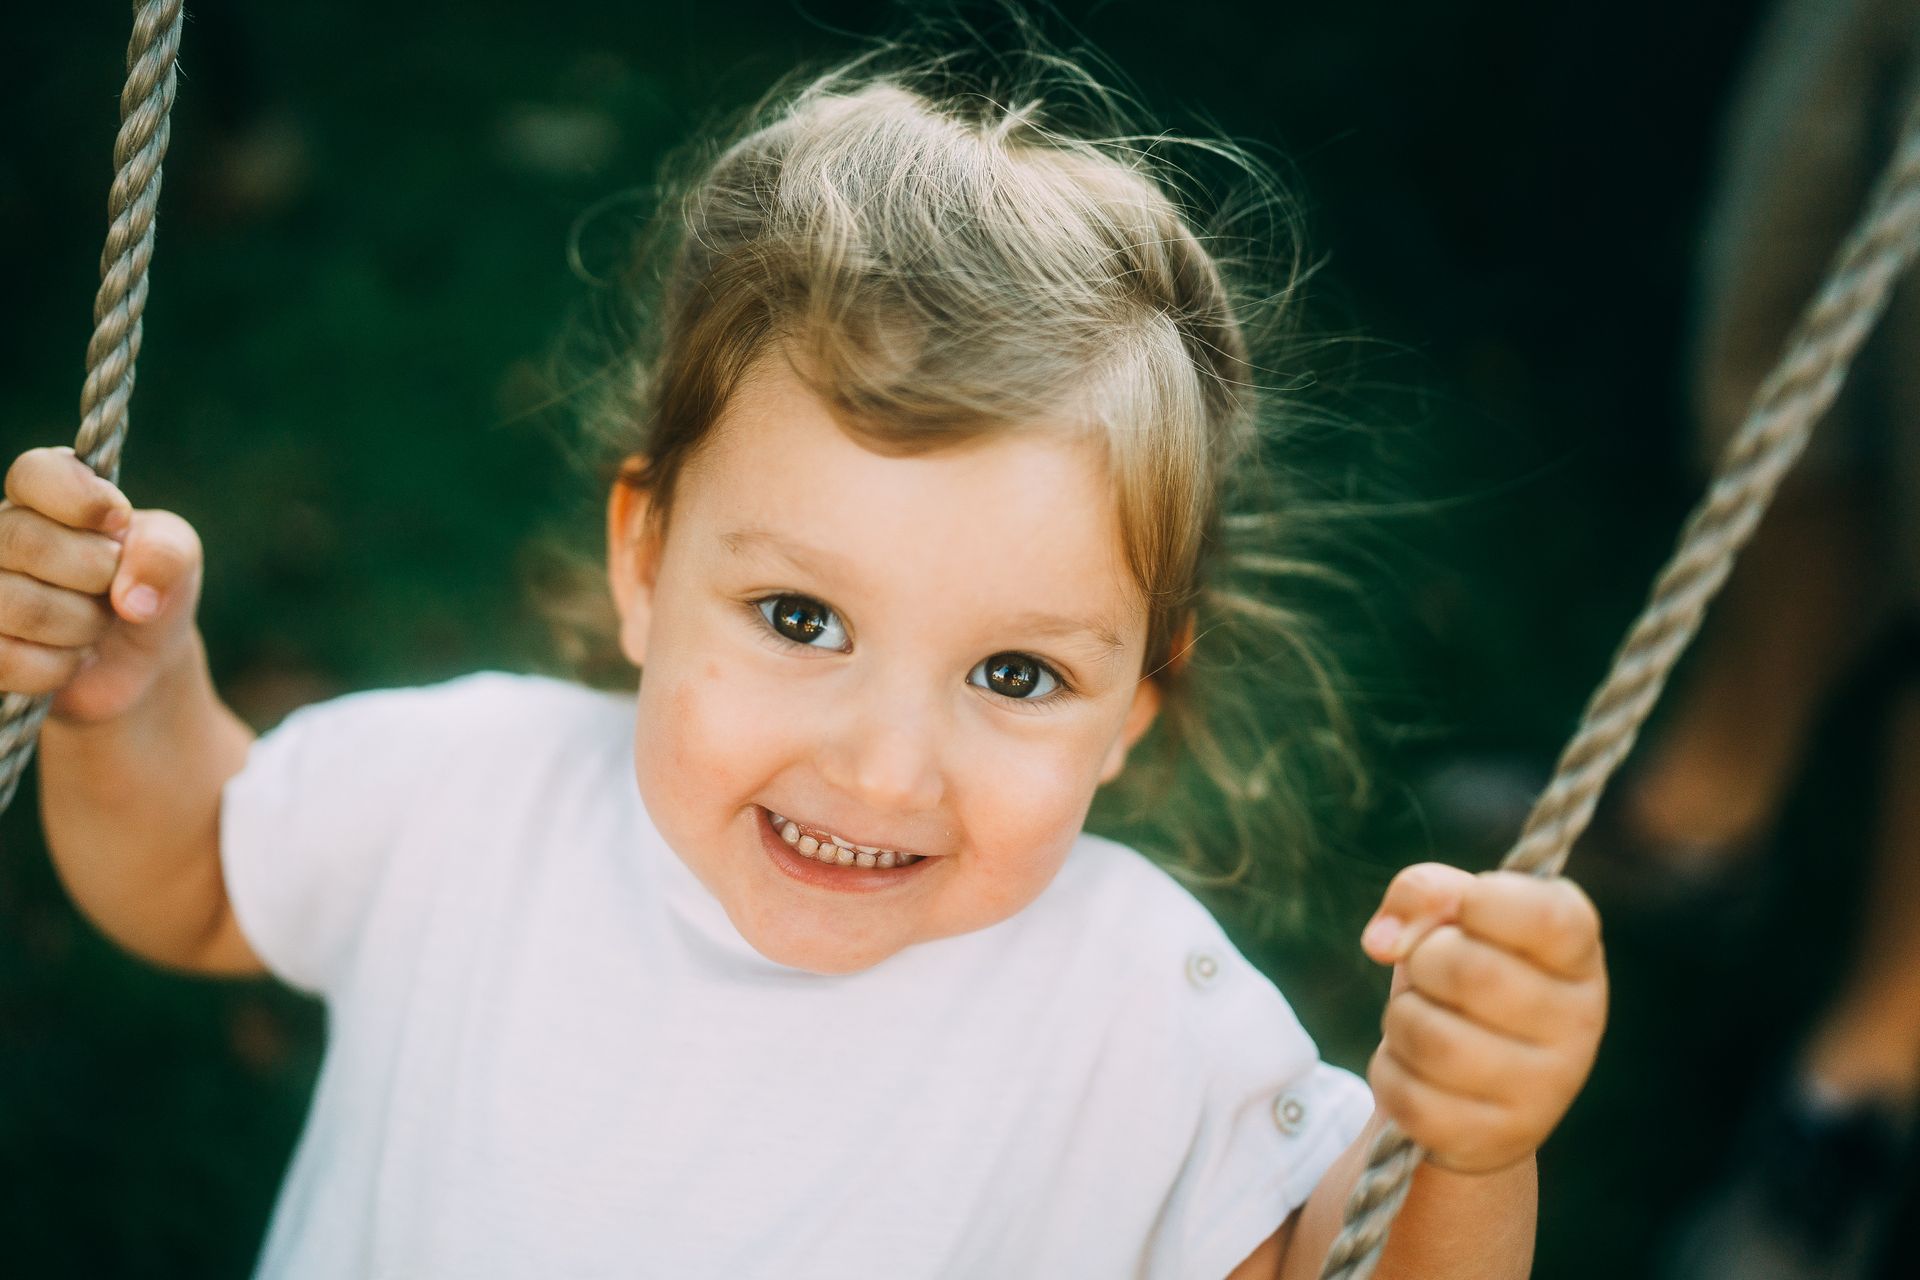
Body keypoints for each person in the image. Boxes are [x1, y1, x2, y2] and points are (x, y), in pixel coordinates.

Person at [0, 41, 1607, 1279]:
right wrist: (131, 700)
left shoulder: (1139, 1016)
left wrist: (1470, 1142)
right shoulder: (474, 797)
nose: (884, 767)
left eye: (1017, 675)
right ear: (646, 561)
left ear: (1140, 698)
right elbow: (202, 879)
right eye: (801, 621)